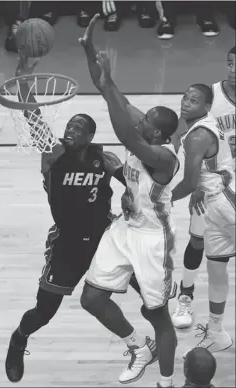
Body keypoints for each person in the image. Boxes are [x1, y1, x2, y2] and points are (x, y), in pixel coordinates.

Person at [4, 53, 130, 383]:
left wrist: (133, 194)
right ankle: (18, 340)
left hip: (105, 236)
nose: (71, 129)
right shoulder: (54, 153)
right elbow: (32, 116)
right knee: (44, 313)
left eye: (79, 127)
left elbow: (135, 182)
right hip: (67, 243)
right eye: (70, 124)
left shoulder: (105, 158)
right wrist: (23, 77)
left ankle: (150, 336)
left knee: (145, 283)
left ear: (90, 136)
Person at [79, 14, 179, 388]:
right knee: (91, 299)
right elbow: (109, 91)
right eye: (143, 118)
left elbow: (126, 132)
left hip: (153, 240)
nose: (140, 123)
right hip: (125, 229)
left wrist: (108, 85)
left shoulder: (166, 156)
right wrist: (90, 51)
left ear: (159, 133)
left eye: (147, 122)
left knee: (158, 315)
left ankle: (166, 383)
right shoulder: (147, 132)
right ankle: (139, 347)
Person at [171, 47, 236, 329]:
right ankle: (185, 295)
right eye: (230, 63)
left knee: (218, 257)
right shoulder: (209, 98)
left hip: (226, 180)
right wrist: (194, 179)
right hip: (211, 186)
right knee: (198, 240)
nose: (233, 70)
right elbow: (181, 135)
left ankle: (216, 325)